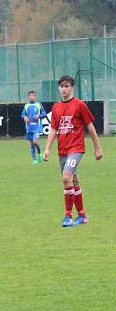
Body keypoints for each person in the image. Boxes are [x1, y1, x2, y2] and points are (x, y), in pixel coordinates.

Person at [42, 75, 104, 227]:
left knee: (66, 177)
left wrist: (97, 148)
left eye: (67, 86)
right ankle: (82, 215)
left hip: (76, 148)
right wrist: (47, 148)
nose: (64, 89)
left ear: (72, 87)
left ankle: (68, 216)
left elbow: (90, 126)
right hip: (62, 149)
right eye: (61, 86)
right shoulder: (56, 107)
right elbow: (53, 129)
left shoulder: (79, 105)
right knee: (73, 181)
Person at [21, 91, 46, 164]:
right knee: (31, 144)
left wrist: (39, 116)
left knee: (35, 141)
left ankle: (39, 151)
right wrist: (25, 117)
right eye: (30, 95)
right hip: (29, 127)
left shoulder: (39, 105)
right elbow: (23, 114)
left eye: (33, 95)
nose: (31, 97)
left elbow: (44, 114)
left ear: (35, 96)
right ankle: (34, 159)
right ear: (28, 97)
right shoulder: (26, 105)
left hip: (37, 127)